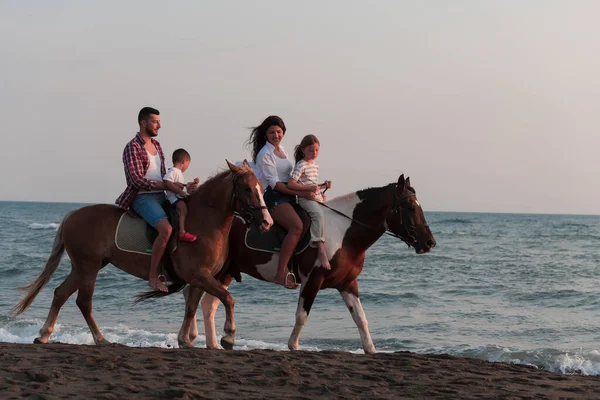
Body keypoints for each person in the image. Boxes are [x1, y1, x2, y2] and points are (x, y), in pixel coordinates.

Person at [116, 107, 193, 293]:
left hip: (161, 195)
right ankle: (153, 276)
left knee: (188, 215)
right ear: (143, 123)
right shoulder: (132, 147)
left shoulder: (157, 146)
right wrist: (164, 186)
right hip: (142, 197)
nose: (159, 125)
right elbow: (136, 179)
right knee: (166, 229)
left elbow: (163, 176)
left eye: (159, 121)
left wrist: (180, 186)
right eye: (155, 122)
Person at [248, 116, 316, 289]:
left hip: (290, 194)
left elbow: (290, 178)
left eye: (279, 131)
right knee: (297, 226)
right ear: (266, 134)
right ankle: (280, 274)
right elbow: (276, 185)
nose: (276, 135)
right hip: (275, 196)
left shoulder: (283, 150)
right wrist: (303, 191)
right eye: (272, 132)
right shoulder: (265, 154)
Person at [288, 135, 333, 270]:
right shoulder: (301, 164)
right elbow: (291, 184)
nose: (314, 153)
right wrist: (310, 189)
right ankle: (319, 246)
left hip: (314, 196)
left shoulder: (314, 165)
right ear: (303, 150)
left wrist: (323, 186)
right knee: (318, 215)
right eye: (311, 150)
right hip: (304, 199)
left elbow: (312, 184)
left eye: (317, 150)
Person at [163, 148, 200, 243]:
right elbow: (167, 181)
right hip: (173, 198)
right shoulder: (174, 171)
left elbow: (178, 185)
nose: (187, 167)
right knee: (183, 208)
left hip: (176, 196)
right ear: (183, 161)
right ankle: (182, 232)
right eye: (188, 164)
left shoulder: (177, 172)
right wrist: (180, 192)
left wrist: (190, 184)